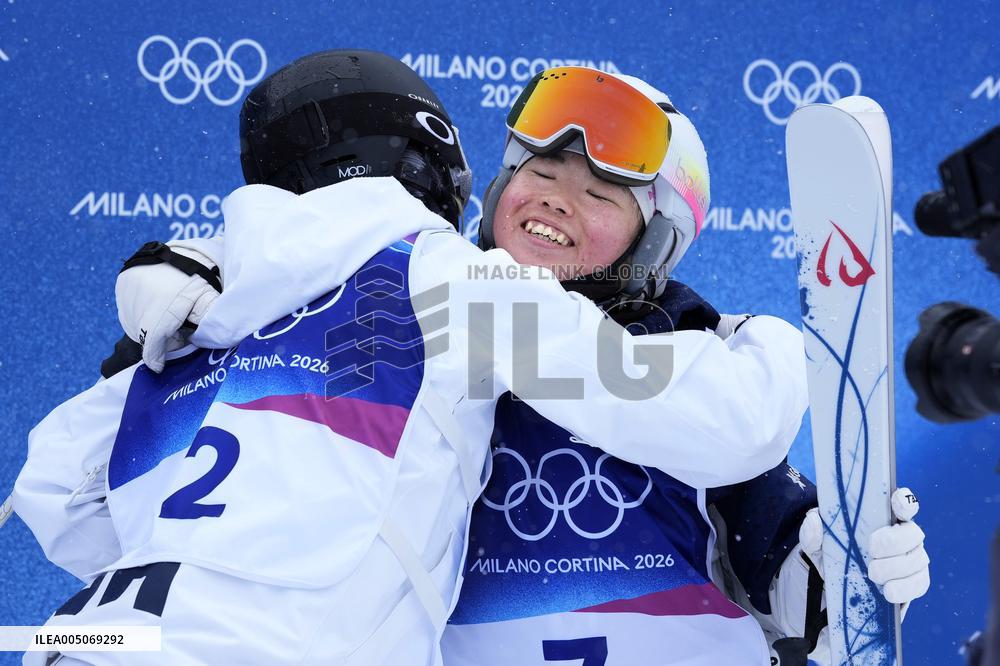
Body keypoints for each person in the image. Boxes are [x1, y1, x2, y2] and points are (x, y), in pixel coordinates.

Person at [102, 65, 929, 665]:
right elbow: (230, 468)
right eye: (540, 170)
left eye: (602, 196)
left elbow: (768, 543)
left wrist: (834, 566)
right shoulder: (405, 316)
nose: (557, 198)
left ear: (654, 244)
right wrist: (202, 305)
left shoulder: (688, 360)